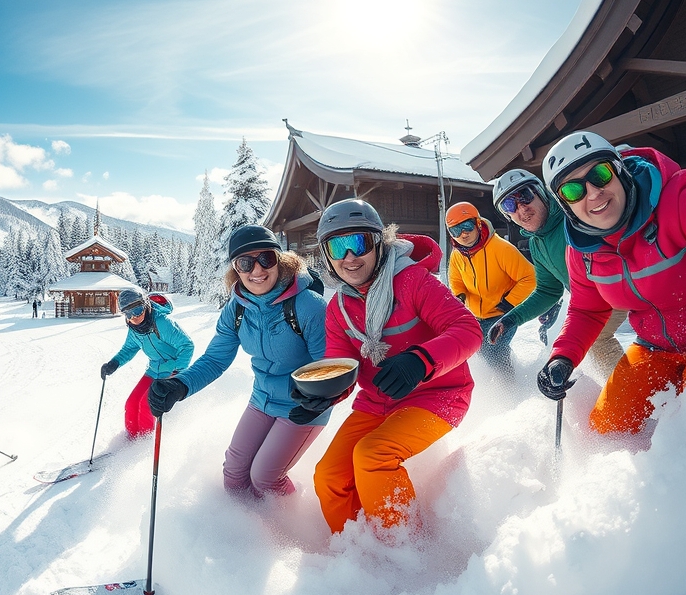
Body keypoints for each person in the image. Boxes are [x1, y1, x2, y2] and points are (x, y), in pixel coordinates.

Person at [289, 200, 483, 534]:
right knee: (329, 475)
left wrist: (419, 361)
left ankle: (401, 550)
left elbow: (467, 330)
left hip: (439, 396)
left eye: (359, 242)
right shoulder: (338, 309)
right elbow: (343, 369)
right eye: (338, 246)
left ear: (379, 243)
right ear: (327, 254)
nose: (350, 256)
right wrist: (321, 395)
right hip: (379, 402)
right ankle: (357, 550)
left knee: (372, 455)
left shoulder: (413, 281)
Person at [536, 132, 686, 435]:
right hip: (656, 347)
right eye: (573, 190)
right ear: (564, 204)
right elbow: (586, 310)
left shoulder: (679, 201)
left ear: (620, 171)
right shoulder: (582, 252)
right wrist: (562, 356)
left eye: (600, 174)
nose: (592, 193)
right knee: (607, 428)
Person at [147, 225, 329, 498]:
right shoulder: (237, 309)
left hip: (304, 405)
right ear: (235, 268)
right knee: (234, 474)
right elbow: (215, 359)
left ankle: (286, 533)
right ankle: (242, 533)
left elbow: (327, 365)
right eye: (245, 262)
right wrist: (179, 385)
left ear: (279, 259)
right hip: (262, 400)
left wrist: (317, 398)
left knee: (265, 478)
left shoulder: (309, 306)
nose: (257, 270)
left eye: (266, 258)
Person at [487, 170, 626, 376]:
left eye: (525, 195)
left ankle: (636, 395)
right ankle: (624, 389)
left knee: (594, 339)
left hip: (621, 287)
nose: (521, 208)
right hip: (590, 304)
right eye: (509, 205)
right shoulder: (537, 243)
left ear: (541, 192)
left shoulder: (571, 216)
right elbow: (548, 290)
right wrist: (511, 319)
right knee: (577, 345)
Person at [446, 201, 535, 371]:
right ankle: (499, 384)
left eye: (467, 226)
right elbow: (456, 280)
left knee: (495, 352)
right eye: (456, 230)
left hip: (501, 314)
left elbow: (530, 277)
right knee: (480, 352)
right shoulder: (458, 255)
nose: (463, 234)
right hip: (476, 316)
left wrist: (509, 303)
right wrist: (460, 296)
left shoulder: (501, 248)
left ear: (478, 223)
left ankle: (509, 392)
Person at [101, 287, 194, 438]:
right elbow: (128, 349)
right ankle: (131, 439)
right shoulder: (135, 329)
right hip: (153, 370)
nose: (134, 317)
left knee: (146, 405)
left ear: (145, 305)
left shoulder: (162, 324)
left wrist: (178, 371)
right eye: (128, 314)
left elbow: (187, 345)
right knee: (131, 403)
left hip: (170, 371)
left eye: (137, 311)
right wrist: (114, 363)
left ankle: (144, 443)